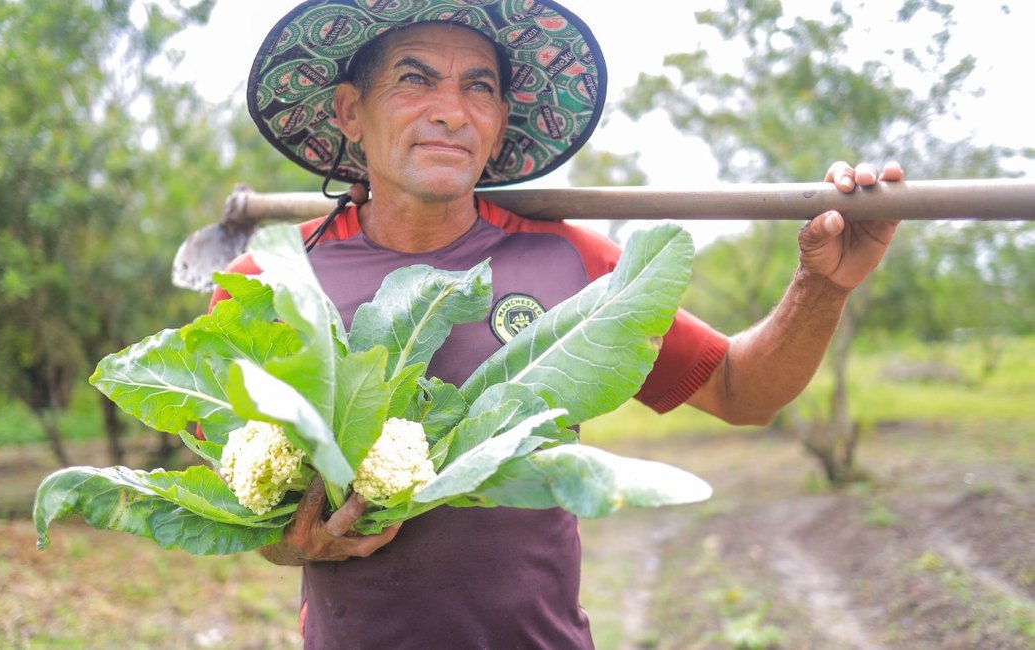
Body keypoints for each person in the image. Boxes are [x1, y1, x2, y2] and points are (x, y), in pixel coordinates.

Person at [211, 1, 903, 647]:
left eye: (478, 87)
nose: (451, 112)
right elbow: (245, 503)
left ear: (502, 118)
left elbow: (739, 391)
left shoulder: (570, 260)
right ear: (349, 111)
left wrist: (823, 286)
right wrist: (290, 540)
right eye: (414, 79)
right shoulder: (267, 285)